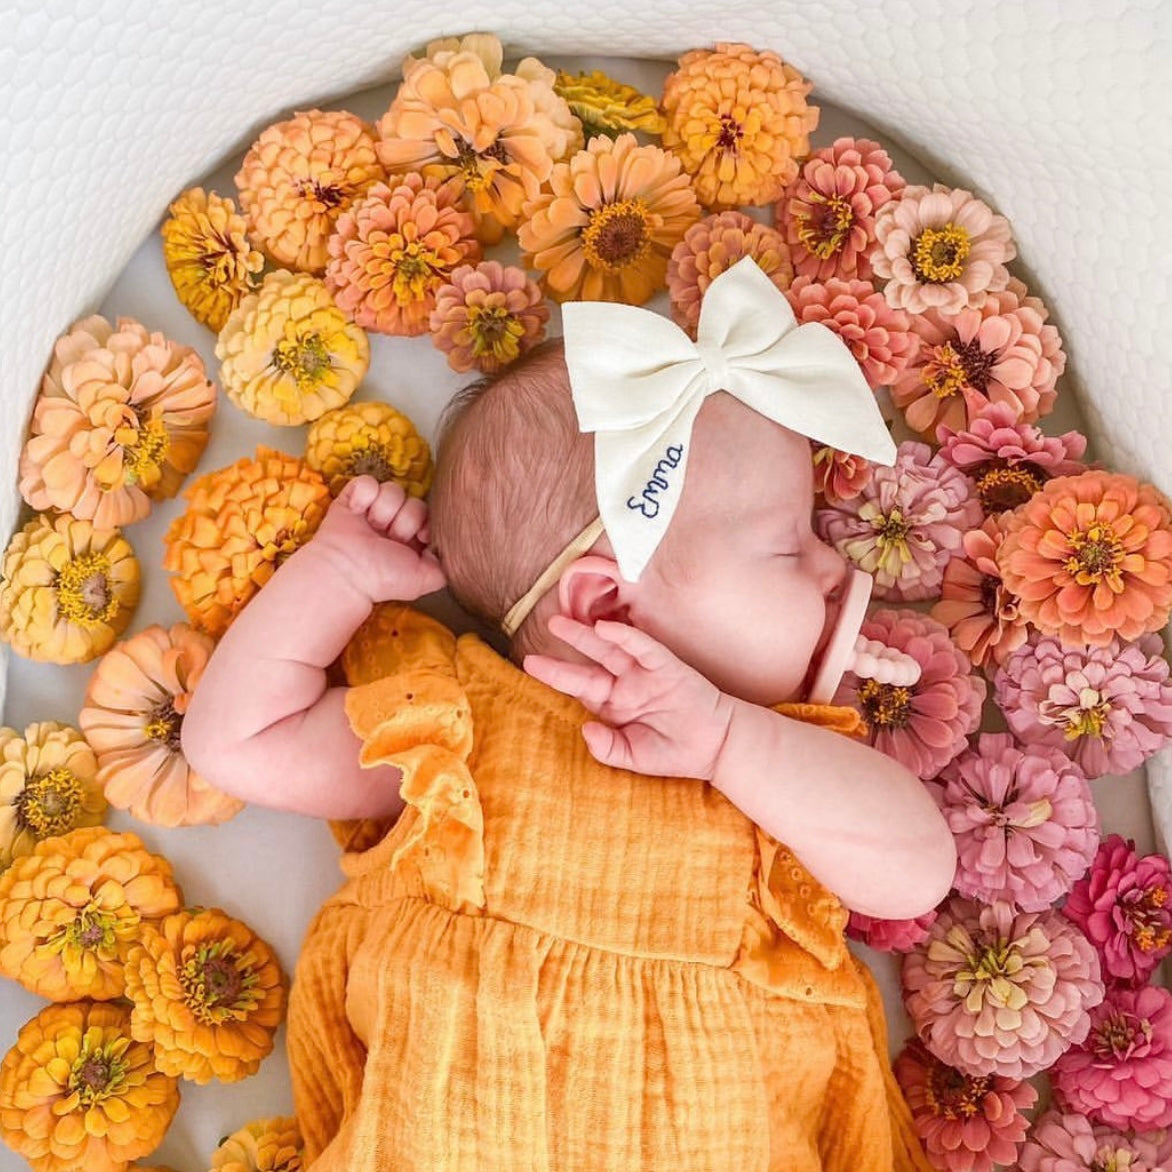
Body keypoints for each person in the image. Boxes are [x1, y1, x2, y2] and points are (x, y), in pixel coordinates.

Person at [181, 259, 953, 1170]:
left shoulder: (773, 761)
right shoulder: (455, 731)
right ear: (606, 611)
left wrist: (729, 739)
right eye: (789, 547)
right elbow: (237, 742)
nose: (838, 573)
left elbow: (914, 874)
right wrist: (337, 576)